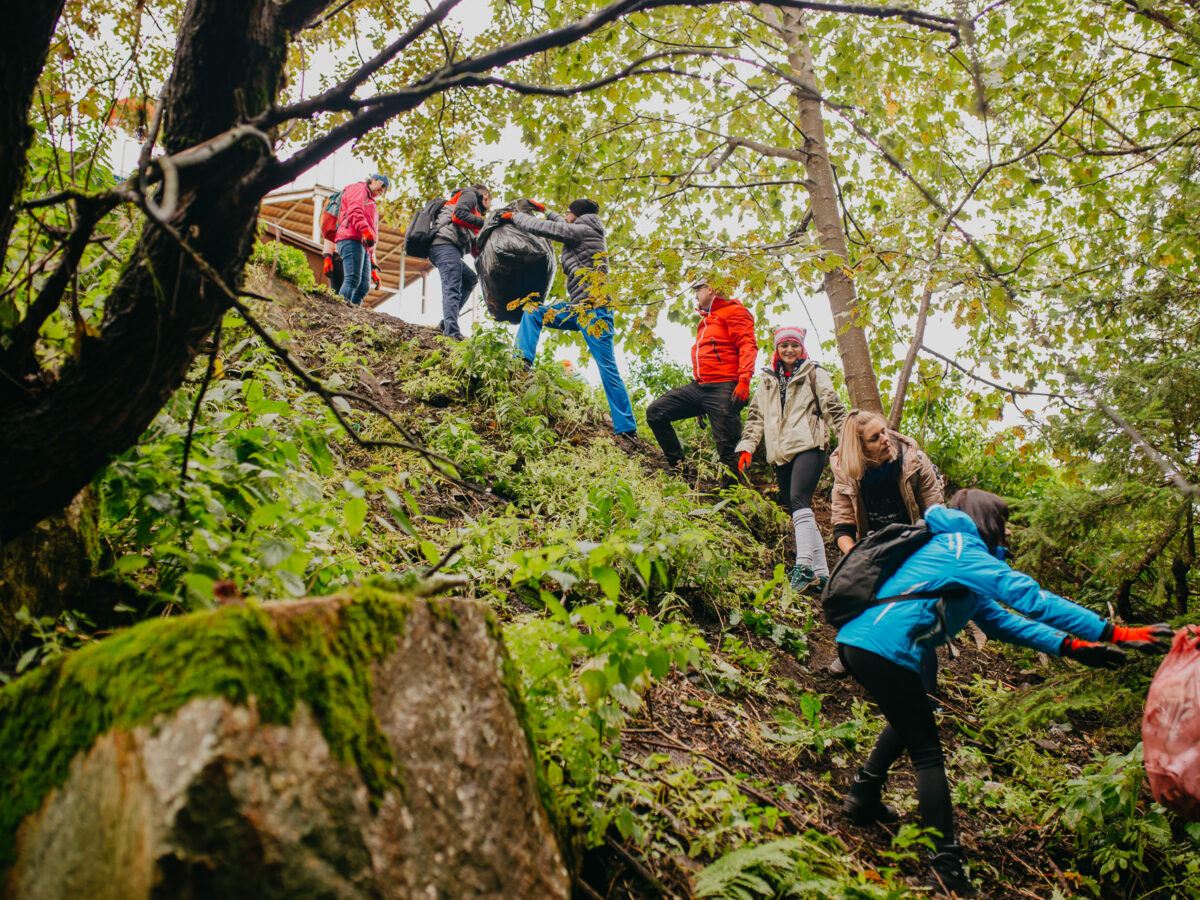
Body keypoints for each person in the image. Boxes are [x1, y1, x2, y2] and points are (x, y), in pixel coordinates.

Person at [835, 488, 1172, 896]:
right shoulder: (960, 547)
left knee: (911, 717)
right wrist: (1115, 631)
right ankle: (945, 870)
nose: (1007, 531)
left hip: (861, 644)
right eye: (1004, 522)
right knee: (927, 752)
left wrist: (1073, 647)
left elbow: (1001, 622)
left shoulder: (959, 559)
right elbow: (1029, 598)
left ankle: (863, 795)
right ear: (988, 520)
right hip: (881, 647)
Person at [503, 198, 638, 450]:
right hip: (577, 310)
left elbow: (551, 229)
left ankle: (627, 429)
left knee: (607, 368)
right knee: (534, 312)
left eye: (568, 212)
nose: (564, 215)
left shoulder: (583, 231)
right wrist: (544, 209)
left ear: (577, 215)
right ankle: (521, 363)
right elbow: (559, 222)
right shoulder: (581, 228)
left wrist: (515, 218)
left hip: (596, 313)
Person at [827, 409, 945, 676]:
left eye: (884, 432)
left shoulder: (914, 462)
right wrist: (857, 556)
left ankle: (922, 683)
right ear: (861, 449)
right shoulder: (846, 470)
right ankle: (852, 652)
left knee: (915, 608)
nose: (885, 439)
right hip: (874, 545)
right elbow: (842, 525)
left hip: (916, 539)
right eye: (875, 437)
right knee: (857, 588)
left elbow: (937, 512)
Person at [734, 326, 847, 593]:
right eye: (784, 345)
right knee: (799, 508)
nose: (789, 350)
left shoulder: (815, 373)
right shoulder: (767, 379)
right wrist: (747, 447)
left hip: (809, 445)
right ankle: (822, 574)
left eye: (794, 345)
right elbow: (755, 417)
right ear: (777, 348)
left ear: (802, 348)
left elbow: (833, 407)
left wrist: (848, 442)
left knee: (798, 501)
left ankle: (804, 566)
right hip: (780, 453)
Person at [646, 278, 757, 477]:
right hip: (701, 387)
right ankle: (682, 473)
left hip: (724, 386)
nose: (695, 294)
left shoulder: (734, 311)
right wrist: (701, 404)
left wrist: (743, 381)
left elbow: (747, 345)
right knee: (656, 412)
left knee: (726, 446)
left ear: (711, 289)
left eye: (698, 289)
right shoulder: (708, 319)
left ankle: (732, 500)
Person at [430, 183, 491, 340]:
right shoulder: (470, 195)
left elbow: (474, 247)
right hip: (444, 245)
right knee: (452, 286)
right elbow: (458, 216)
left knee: (470, 279)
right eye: (490, 203)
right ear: (485, 197)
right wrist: (487, 222)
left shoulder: (472, 210)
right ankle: (452, 333)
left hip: (450, 248)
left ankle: (446, 323)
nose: (488, 208)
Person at [335, 174, 388, 306]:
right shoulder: (359, 188)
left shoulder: (371, 201)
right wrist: (365, 231)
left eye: (385, 190)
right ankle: (341, 312)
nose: (382, 190)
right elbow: (355, 211)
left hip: (363, 245)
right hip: (351, 237)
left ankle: (351, 315)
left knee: (364, 286)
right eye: (382, 185)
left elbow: (370, 236)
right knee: (352, 278)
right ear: (373, 180)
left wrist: (372, 266)